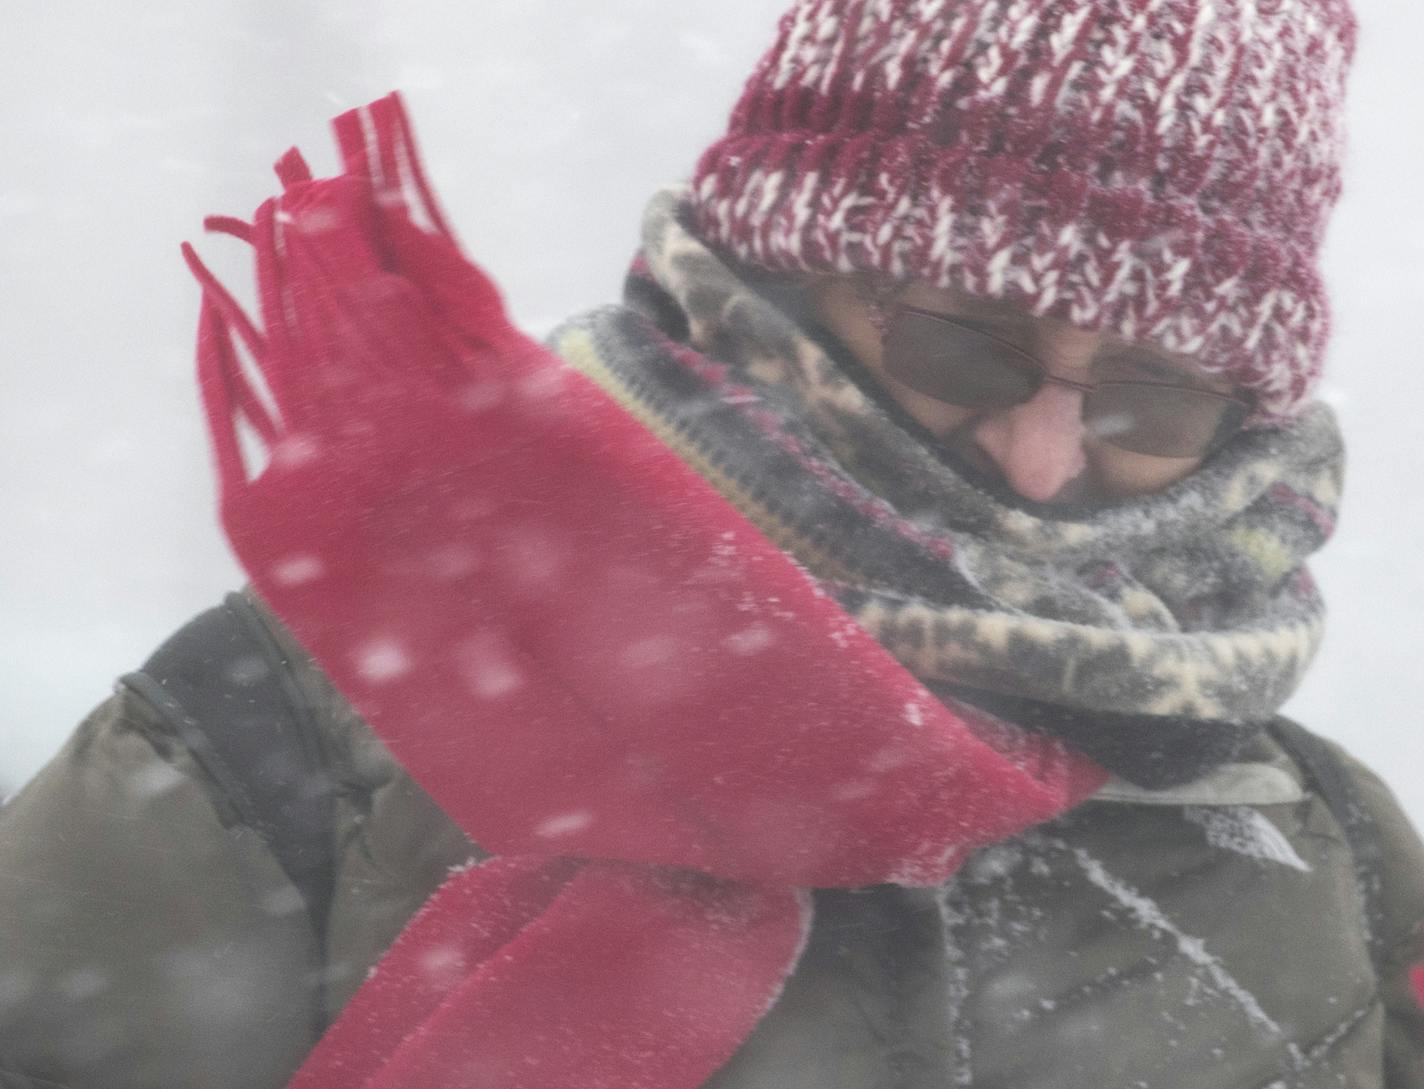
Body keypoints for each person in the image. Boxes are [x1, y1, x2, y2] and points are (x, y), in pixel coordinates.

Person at [2, 0, 1422, 1086]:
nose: (1044, 458)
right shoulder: (303, 733)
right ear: (769, 287)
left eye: (1152, 395)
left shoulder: (1331, 847)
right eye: (960, 343)